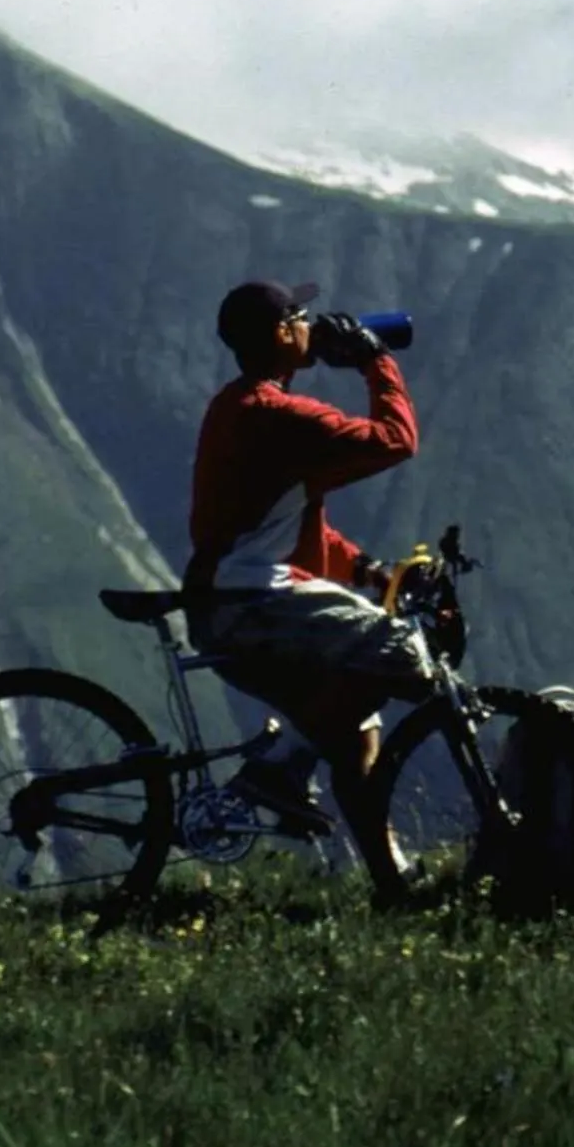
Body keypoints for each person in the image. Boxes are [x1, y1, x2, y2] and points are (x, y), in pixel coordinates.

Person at [184, 276, 435, 880]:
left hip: (227, 603)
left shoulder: (239, 406)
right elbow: (396, 441)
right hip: (248, 603)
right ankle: (278, 768)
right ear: (281, 333)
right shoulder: (280, 416)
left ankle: (390, 879)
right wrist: (375, 360)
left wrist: (369, 571)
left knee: (353, 733)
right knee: (400, 652)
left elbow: (296, 533)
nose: (311, 323)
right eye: (301, 316)